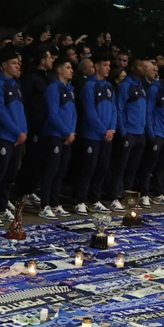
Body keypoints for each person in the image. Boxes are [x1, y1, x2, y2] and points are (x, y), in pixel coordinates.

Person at [0, 48, 27, 225]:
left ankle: (2, 206)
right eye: (13, 63)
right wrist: (17, 131)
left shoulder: (16, 85)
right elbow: (0, 112)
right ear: (3, 65)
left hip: (17, 137)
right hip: (2, 135)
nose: (18, 66)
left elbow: (21, 111)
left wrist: (23, 131)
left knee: (10, 174)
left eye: (18, 63)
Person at [73, 51, 114, 215]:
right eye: (105, 65)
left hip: (107, 136)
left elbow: (114, 110)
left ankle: (95, 199)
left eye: (109, 65)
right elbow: (89, 111)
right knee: (88, 168)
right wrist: (103, 130)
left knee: (102, 168)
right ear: (96, 66)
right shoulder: (89, 86)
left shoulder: (109, 87)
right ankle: (80, 200)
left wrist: (112, 128)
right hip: (92, 135)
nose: (108, 68)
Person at [38, 57, 76, 219]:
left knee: (61, 171)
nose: (71, 70)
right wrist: (66, 132)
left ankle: (54, 203)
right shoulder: (53, 88)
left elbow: (73, 113)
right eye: (68, 67)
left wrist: (71, 132)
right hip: (53, 135)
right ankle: (44, 205)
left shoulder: (69, 89)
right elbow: (53, 114)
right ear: (59, 70)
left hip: (67, 136)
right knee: (51, 171)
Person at [108, 57, 147, 211]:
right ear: (133, 68)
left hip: (139, 133)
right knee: (120, 166)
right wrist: (123, 131)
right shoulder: (125, 86)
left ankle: (128, 196)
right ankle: (115, 196)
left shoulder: (141, 86)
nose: (144, 69)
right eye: (141, 66)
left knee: (133, 167)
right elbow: (119, 108)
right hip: (128, 132)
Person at [20, 44, 54, 207]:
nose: (52, 60)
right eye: (49, 57)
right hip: (34, 123)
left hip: (46, 125)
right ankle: (23, 192)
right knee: (31, 159)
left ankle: (32, 189)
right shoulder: (32, 78)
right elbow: (26, 101)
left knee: (40, 159)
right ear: (42, 60)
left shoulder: (49, 77)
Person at [140, 66, 164, 204]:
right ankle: (144, 193)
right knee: (149, 165)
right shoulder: (153, 90)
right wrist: (151, 133)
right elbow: (148, 112)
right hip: (156, 134)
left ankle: (157, 192)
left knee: (162, 165)